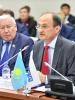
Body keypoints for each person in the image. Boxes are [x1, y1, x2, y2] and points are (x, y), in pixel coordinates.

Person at [32, 12, 75, 84]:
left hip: (59, 92)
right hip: (36, 90)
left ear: (57, 29)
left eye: (44, 26)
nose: (40, 30)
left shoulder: (70, 48)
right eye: (39, 26)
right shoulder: (37, 45)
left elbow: (73, 79)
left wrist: (46, 79)